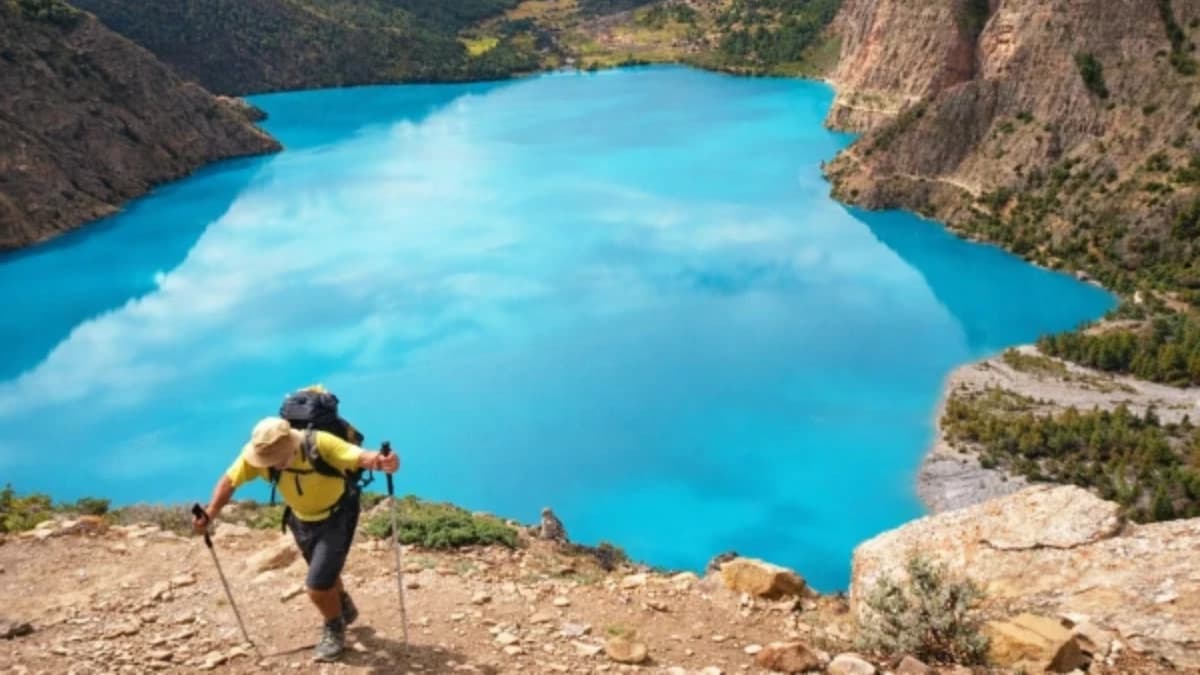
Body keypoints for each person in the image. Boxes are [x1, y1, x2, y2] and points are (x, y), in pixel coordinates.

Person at [193, 416, 400, 661]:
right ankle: (342, 604)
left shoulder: (320, 444)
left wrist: (383, 461)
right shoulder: (256, 455)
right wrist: (211, 513)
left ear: (291, 445)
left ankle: (334, 627)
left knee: (316, 587)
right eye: (266, 460)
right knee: (323, 573)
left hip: (338, 516)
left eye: (276, 458)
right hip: (300, 520)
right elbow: (229, 481)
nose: (271, 464)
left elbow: (360, 456)